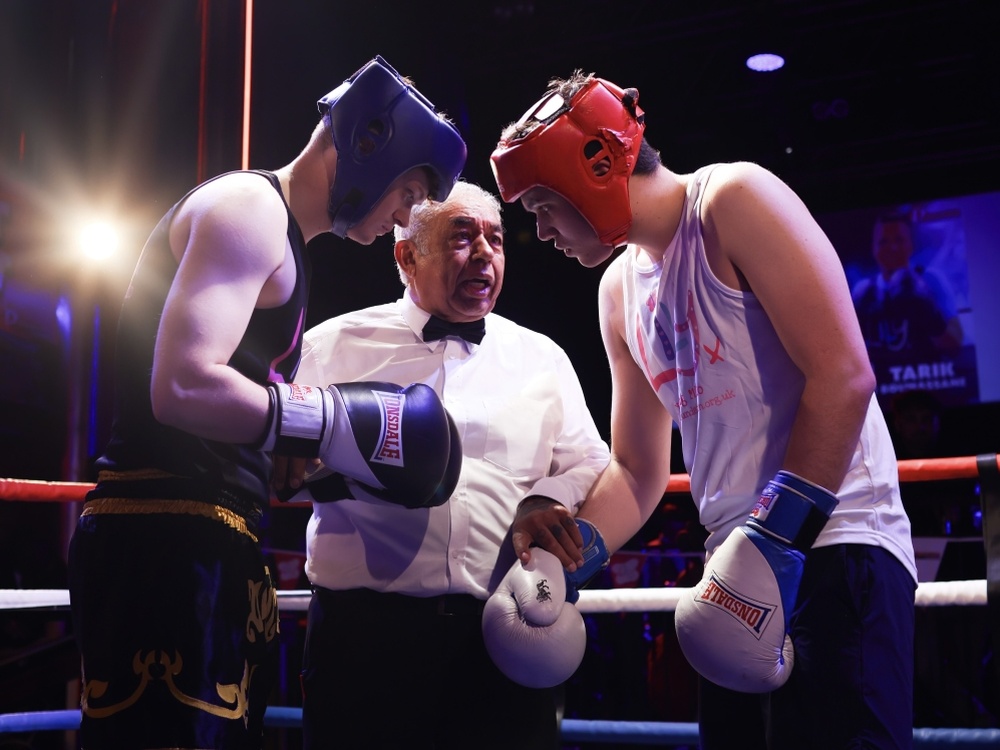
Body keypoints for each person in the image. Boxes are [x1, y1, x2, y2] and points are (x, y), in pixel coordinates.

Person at [490, 71, 917, 749]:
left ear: (596, 166)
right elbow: (636, 471)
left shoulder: (732, 199)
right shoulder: (618, 293)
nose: (539, 232)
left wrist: (772, 542)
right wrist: (568, 554)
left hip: (835, 545)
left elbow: (843, 375)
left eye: (542, 204)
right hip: (728, 576)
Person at [66, 55, 466, 750]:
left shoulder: (280, 238)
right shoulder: (250, 209)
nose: (404, 220)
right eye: (408, 194)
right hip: (165, 535)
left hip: (203, 534)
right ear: (373, 143)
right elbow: (183, 384)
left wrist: (294, 442)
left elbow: (227, 395)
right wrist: (323, 421)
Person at [288, 180, 611, 749]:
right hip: (365, 635)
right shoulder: (330, 347)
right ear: (407, 254)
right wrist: (328, 462)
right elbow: (279, 467)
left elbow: (590, 459)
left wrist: (548, 495)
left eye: (495, 240)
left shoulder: (540, 357)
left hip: (498, 634)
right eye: (462, 238)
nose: (484, 254)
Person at [852, 212, 964, 358]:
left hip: (926, 378)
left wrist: (930, 315)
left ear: (910, 245)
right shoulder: (863, 291)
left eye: (898, 240)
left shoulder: (930, 280)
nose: (892, 247)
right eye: (883, 241)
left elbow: (956, 346)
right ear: (874, 249)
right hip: (883, 379)